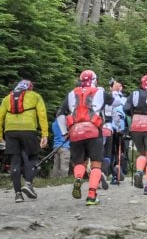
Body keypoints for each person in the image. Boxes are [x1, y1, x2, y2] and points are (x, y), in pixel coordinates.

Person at [56, 69, 114, 206]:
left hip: (76, 131)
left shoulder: (71, 93)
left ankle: (78, 178)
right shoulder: (100, 92)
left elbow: (60, 114)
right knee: (95, 164)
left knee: (79, 163)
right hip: (94, 131)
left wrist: (65, 133)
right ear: (95, 80)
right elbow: (113, 101)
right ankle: (92, 196)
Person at [0, 79, 49, 203]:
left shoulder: (7, 98)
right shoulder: (35, 96)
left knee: (15, 160)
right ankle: (28, 183)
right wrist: (45, 134)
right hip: (29, 130)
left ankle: (18, 194)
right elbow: (42, 115)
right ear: (30, 88)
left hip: (10, 131)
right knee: (33, 157)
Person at [107, 79, 127, 184]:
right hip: (113, 126)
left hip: (118, 125)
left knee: (118, 150)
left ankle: (117, 172)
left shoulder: (123, 99)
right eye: (116, 86)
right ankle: (114, 173)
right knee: (114, 151)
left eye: (120, 86)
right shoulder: (109, 97)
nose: (118, 87)